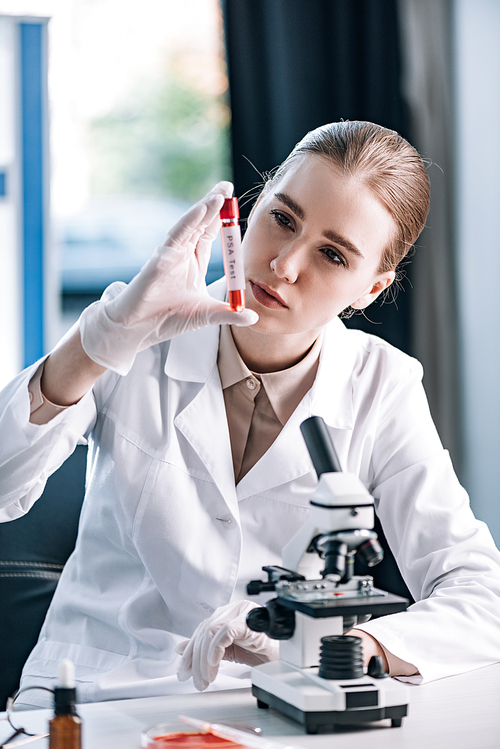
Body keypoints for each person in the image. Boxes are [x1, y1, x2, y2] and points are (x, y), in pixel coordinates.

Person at [1, 121, 499, 706]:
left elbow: (480, 593)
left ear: (372, 287)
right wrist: (102, 339)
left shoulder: (381, 385)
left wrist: (343, 645)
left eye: (333, 254)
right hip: (94, 697)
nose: (284, 265)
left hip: (270, 704)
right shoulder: (138, 326)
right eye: (282, 218)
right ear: (252, 205)